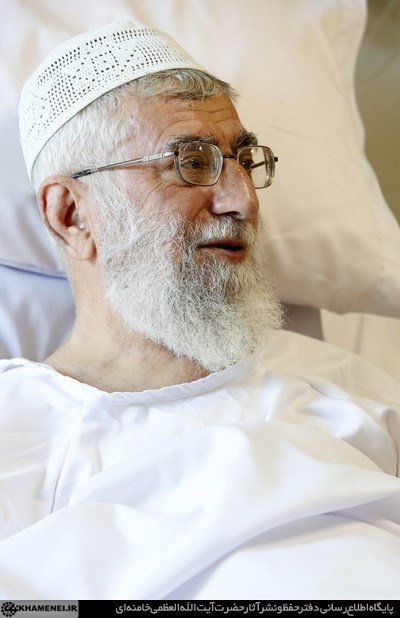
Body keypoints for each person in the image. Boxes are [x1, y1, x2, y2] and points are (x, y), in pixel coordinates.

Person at [0, 19, 399, 601]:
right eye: (189, 162)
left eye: (245, 161)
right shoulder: (15, 429)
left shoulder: (349, 386)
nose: (244, 200)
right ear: (72, 215)